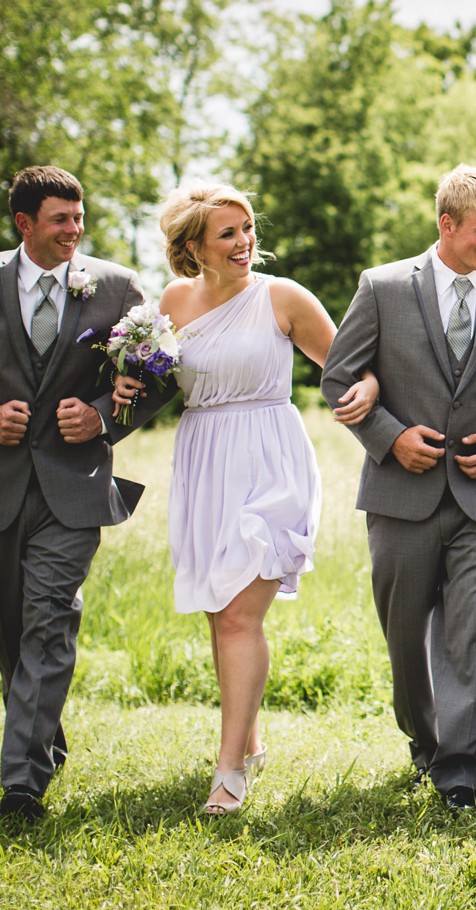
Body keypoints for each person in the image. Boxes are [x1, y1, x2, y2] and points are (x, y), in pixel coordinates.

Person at [113, 181, 377, 814]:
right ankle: (250, 741)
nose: (244, 242)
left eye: (248, 228)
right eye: (227, 233)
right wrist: (125, 379)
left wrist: (366, 386)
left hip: (270, 455)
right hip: (204, 458)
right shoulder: (173, 301)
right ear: (194, 245)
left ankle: (228, 769)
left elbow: (350, 362)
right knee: (217, 608)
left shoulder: (282, 297)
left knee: (239, 614)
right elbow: (153, 381)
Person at [320, 164, 476, 816]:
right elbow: (339, 380)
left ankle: (460, 768)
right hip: (400, 494)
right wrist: (389, 436)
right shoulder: (383, 288)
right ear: (445, 225)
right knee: (404, 635)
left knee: (474, 628)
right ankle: (424, 741)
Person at [0, 166, 172, 822]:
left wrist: (102, 415)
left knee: (49, 616)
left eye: (79, 218)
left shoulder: (116, 288)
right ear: (24, 224)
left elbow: (160, 372)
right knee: (11, 631)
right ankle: (41, 738)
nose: (74, 231)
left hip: (72, 489)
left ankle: (20, 785)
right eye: (59, 220)